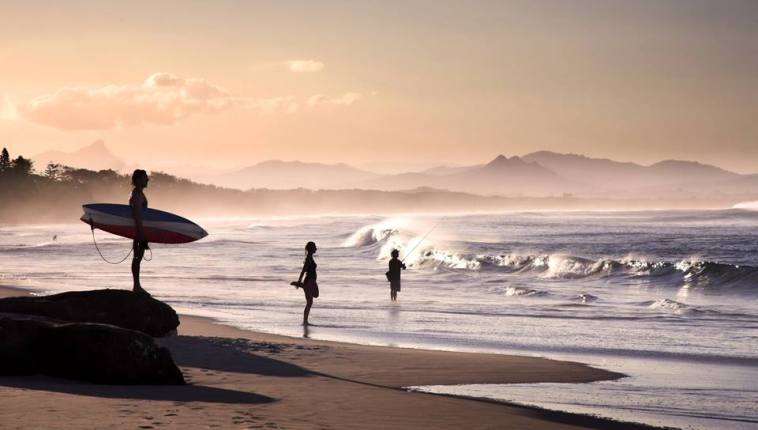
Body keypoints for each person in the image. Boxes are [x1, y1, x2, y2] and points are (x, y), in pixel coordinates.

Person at [129, 169, 150, 295]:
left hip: (139, 230)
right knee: (137, 257)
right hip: (138, 231)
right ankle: (136, 286)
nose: (147, 179)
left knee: (138, 257)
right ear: (138, 180)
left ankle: (137, 285)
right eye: (145, 177)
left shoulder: (138, 193)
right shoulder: (137, 195)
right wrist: (141, 233)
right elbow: (137, 215)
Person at [292, 241, 319, 325]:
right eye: (314, 247)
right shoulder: (309, 259)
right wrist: (299, 280)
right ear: (311, 249)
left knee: (310, 302)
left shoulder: (310, 257)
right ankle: (302, 285)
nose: (316, 248)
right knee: (314, 297)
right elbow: (303, 270)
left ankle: (305, 321)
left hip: (310, 281)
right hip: (310, 280)